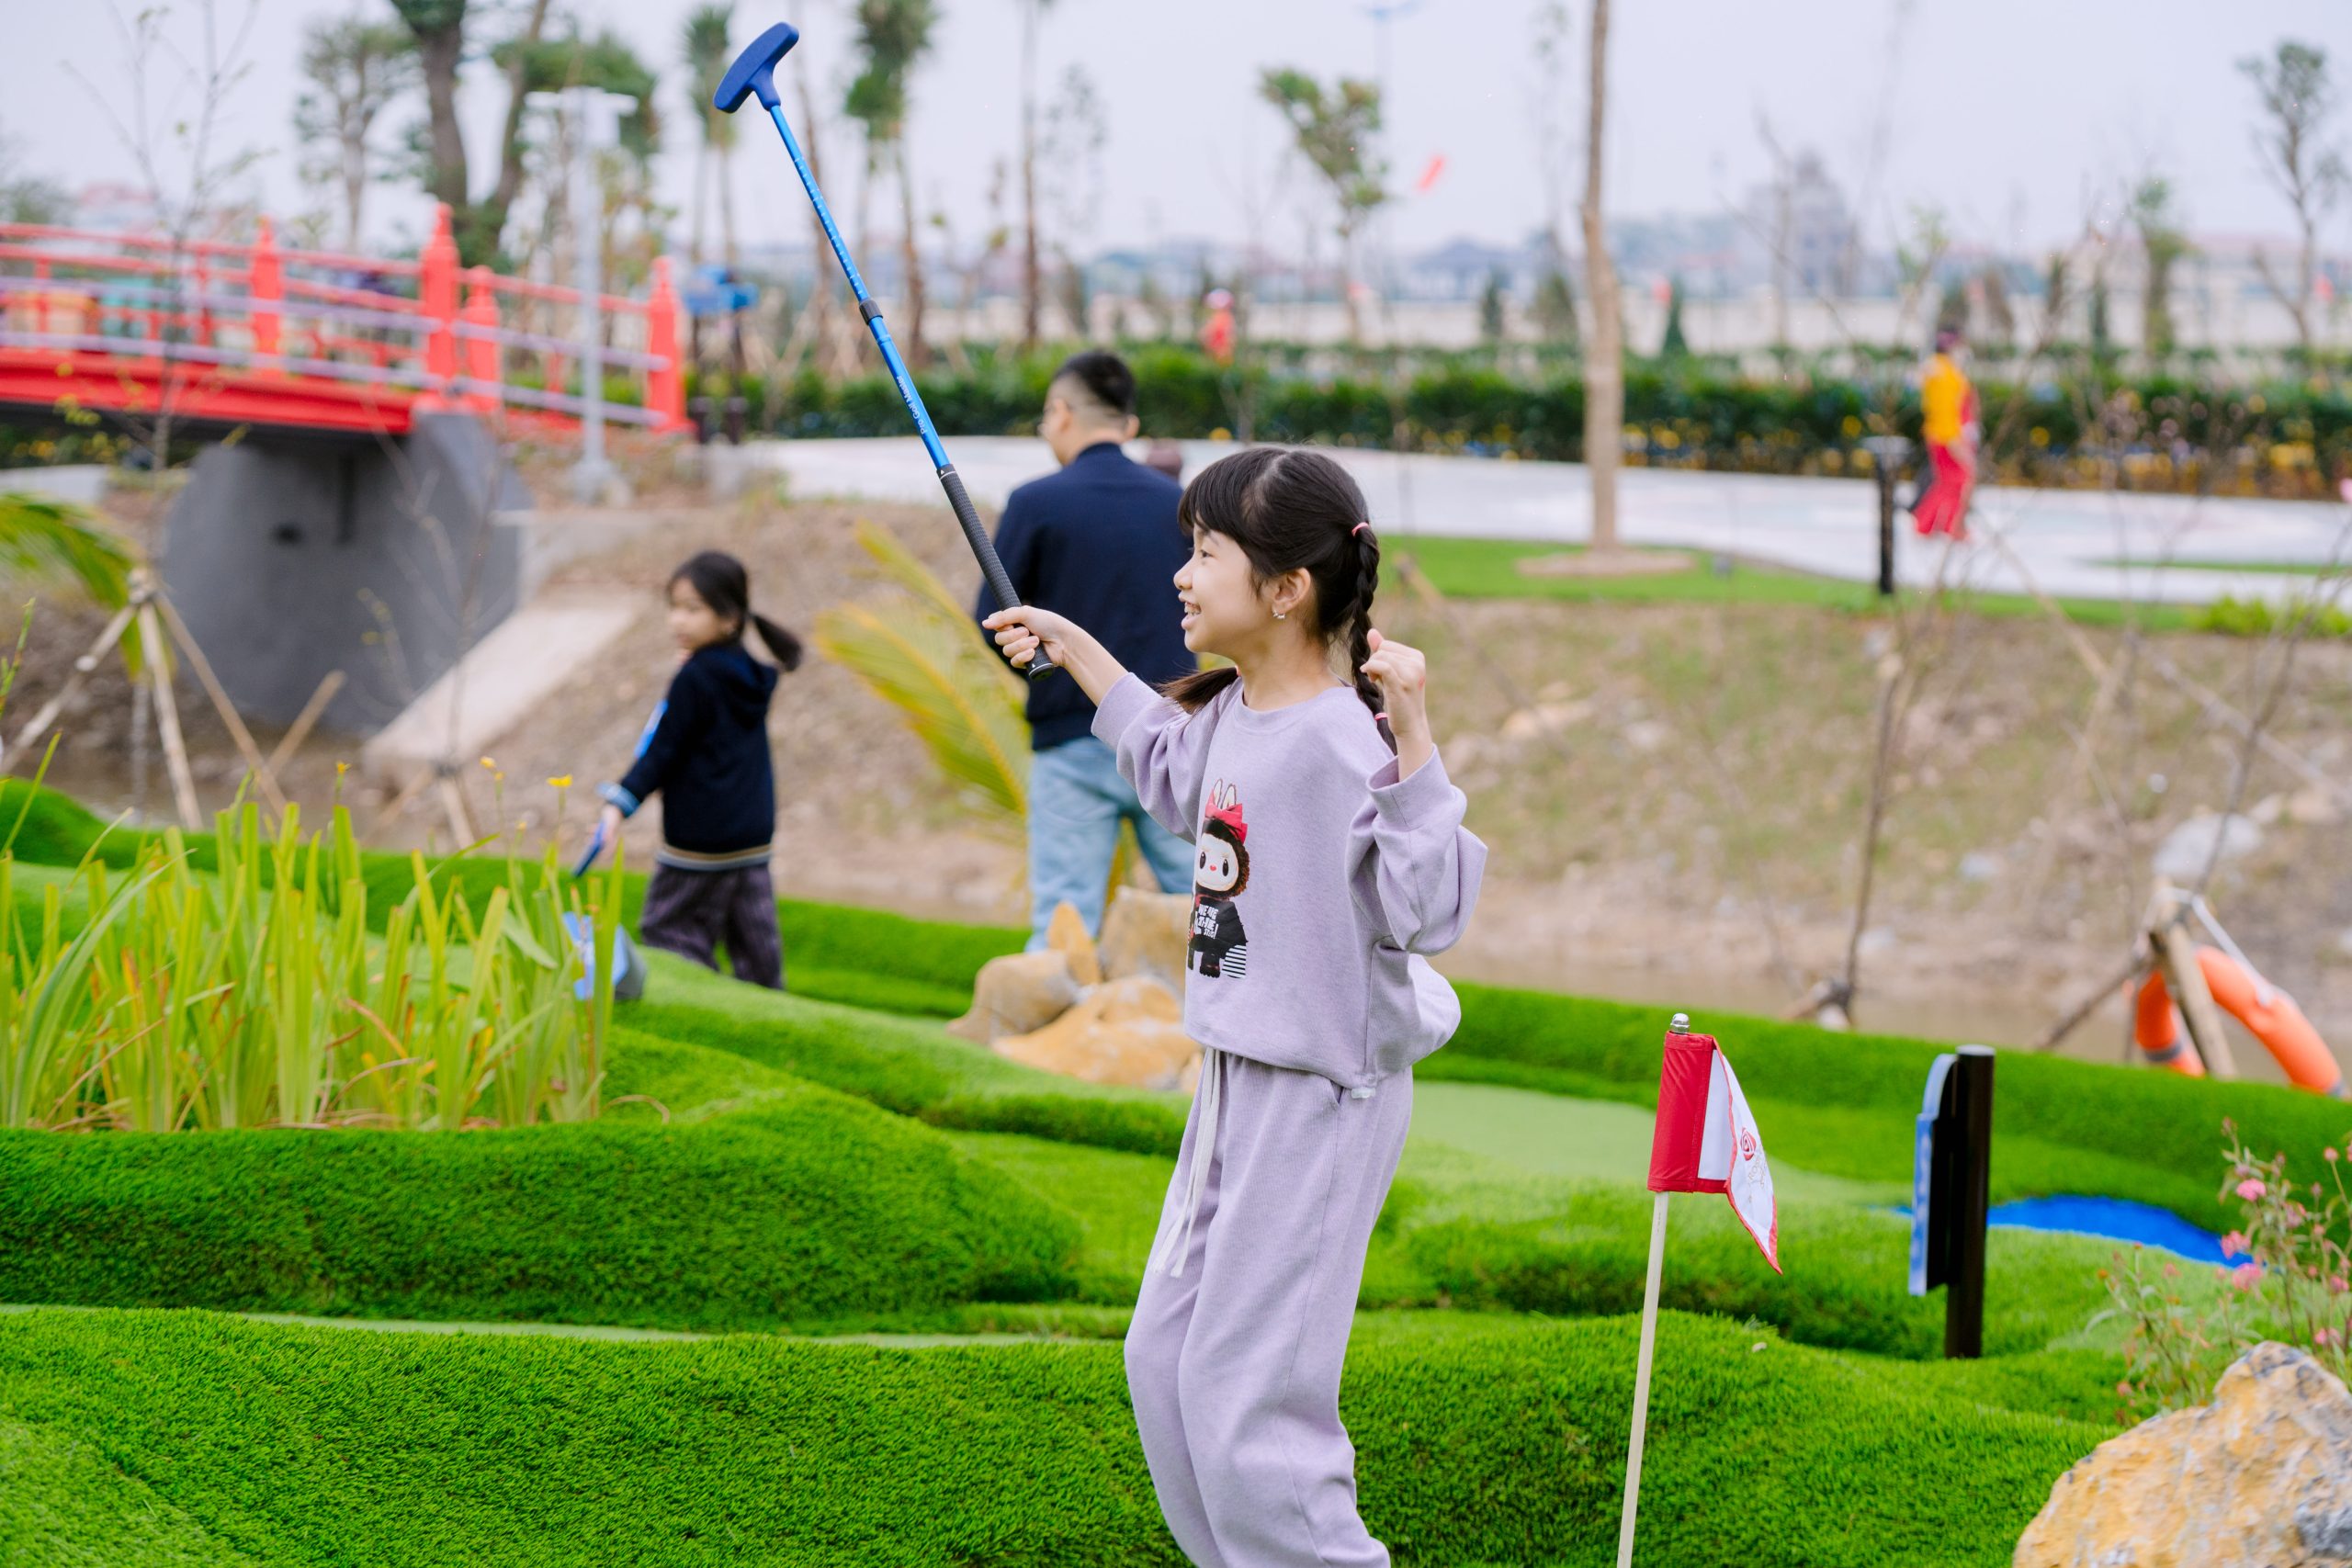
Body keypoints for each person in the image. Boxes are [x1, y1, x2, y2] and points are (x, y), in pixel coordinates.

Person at [984, 446, 1487, 1567]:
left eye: (1206, 551)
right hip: (1232, 1081)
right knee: (1163, 1362)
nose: (1182, 573)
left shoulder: (1344, 741)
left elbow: (1427, 908)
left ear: (1286, 588)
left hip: (1319, 1098)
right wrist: (1070, 644)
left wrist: (1413, 736)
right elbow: (1164, 762)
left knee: (1248, 1403)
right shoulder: (1234, 716)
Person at [980, 349, 1197, 950]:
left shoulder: (1035, 502)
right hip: (1172, 740)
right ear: (1128, 424)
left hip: (1072, 737)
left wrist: (1037, 668)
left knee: (1064, 927)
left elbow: (993, 618)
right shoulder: (1177, 504)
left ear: (1061, 412)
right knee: (1211, 914)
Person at [597, 551, 803, 989]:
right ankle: (772, 1006)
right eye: (674, 607)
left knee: (668, 931)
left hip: (700, 839)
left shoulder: (695, 678)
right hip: (752, 836)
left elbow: (662, 752)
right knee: (755, 946)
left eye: (693, 609)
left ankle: (696, 1000)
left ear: (729, 618)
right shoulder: (749, 674)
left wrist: (619, 804)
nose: (677, 620)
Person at [1912, 326, 1981, 541]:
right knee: (1957, 480)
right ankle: (1943, 526)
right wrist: (1954, 441)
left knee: (1949, 481)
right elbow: (1945, 410)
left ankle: (1932, 525)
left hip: (1942, 435)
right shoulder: (1945, 374)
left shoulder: (1939, 369)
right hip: (1947, 436)